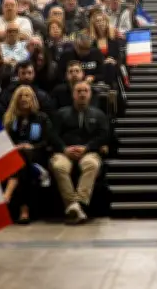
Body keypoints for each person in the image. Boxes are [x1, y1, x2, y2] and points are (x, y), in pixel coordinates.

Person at [50, 82, 108, 224]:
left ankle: (78, 204)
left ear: (90, 94)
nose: (82, 94)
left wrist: (87, 148)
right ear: (73, 94)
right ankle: (74, 205)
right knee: (59, 166)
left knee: (91, 164)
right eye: (79, 91)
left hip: (88, 152)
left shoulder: (99, 114)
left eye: (85, 91)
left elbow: (104, 135)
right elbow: (53, 135)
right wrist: (64, 149)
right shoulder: (61, 113)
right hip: (64, 152)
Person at [1, 85, 53, 225]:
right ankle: (24, 210)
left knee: (23, 158)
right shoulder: (10, 119)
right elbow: (4, 142)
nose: (24, 98)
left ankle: (8, 195)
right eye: (20, 96)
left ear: (33, 99)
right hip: (14, 158)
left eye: (27, 95)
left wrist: (32, 147)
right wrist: (16, 148)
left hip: (37, 157)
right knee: (21, 161)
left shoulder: (42, 118)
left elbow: (47, 142)